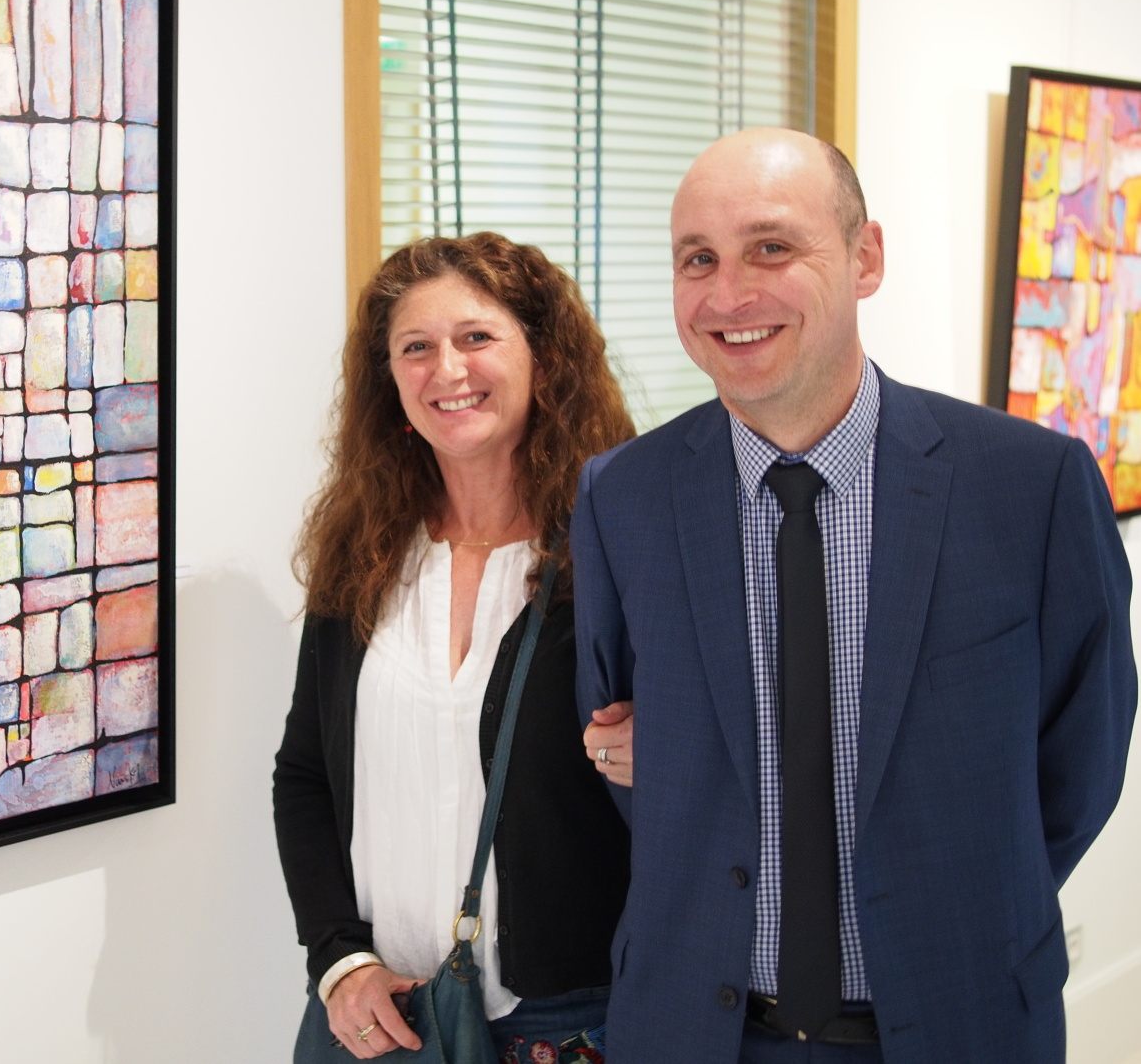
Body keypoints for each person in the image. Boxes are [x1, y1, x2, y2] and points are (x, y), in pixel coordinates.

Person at [573, 128, 1137, 1062]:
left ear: (865, 257)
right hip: (696, 1030)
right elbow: (620, 739)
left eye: (771, 247)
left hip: (959, 1019)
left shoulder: (1029, 486)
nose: (728, 294)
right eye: (697, 259)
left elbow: (1082, 757)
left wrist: (967, 901)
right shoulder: (621, 496)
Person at [274, 232, 636, 1062]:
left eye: (476, 337)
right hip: (384, 1021)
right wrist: (339, 959)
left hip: (563, 1025)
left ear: (543, 356)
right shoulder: (365, 553)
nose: (447, 369)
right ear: (389, 377)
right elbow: (304, 773)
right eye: (416, 347)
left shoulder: (615, 553)